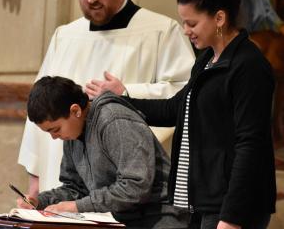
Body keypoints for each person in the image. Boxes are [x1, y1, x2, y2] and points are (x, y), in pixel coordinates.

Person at [18, 0, 195, 198]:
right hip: (64, 187)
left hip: (125, 190)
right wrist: (36, 176)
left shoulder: (162, 30)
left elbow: (187, 94)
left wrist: (127, 93)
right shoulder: (65, 36)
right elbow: (40, 106)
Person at [122, 0, 277, 228]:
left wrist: (232, 216)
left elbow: (251, 145)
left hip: (230, 208)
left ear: (219, 19)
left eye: (191, 23)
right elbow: (175, 108)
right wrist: (121, 99)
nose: (185, 30)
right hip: (202, 204)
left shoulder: (249, 66)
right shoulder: (206, 60)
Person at [17, 76, 190, 229]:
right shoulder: (73, 135)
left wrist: (76, 207)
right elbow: (76, 188)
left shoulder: (114, 120)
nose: (54, 137)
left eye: (55, 129)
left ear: (75, 110)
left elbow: (136, 186)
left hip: (161, 219)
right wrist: (40, 201)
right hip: (122, 220)